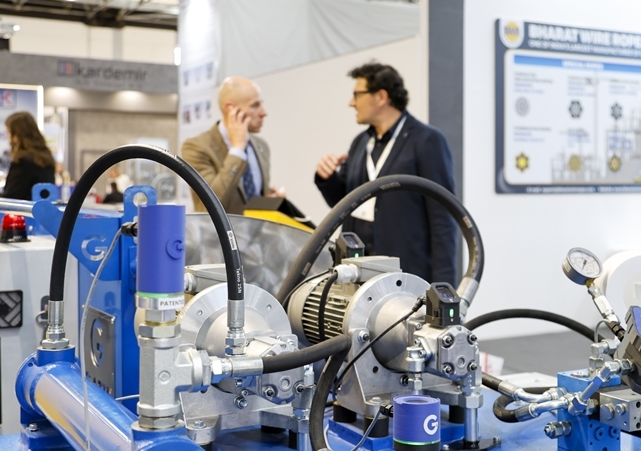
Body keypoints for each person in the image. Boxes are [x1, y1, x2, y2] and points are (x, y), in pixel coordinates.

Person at [314, 62, 459, 286]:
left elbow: (442, 220)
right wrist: (327, 178)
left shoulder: (426, 141)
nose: (351, 103)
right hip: (357, 272)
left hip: (405, 274)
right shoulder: (360, 142)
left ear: (381, 97)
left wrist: (444, 285)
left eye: (357, 95)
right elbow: (343, 203)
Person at [181, 76, 283, 214]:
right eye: (255, 105)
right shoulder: (196, 147)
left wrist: (270, 201)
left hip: (256, 229)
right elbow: (208, 205)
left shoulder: (261, 146)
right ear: (231, 108)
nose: (263, 113)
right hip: (217, 229)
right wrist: (237, 150)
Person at [0, 112, 56, 200]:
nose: (8, 137)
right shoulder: (46, 158)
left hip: (25, 208)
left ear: (17, 135)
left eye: (9, 132)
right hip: (42, 208)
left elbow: (10, 198)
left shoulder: (22, 161)